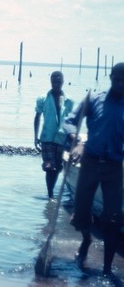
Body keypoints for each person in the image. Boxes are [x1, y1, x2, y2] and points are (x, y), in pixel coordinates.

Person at [63, 62, 123, 277]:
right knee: (80, 213)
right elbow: (70, 121)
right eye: (117, 79)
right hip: (90, 161)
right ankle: (87, 239)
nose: (120, 83)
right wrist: (76, 140)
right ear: (110, 77)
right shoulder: (93, 99)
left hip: (115, 167)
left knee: (113, 218)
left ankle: (107, 268)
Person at [34, 71, 74, 200]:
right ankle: (50, 193)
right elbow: (37, 117)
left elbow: (71, 122)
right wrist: (35, 136)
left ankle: (51, 192)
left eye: (59, 81)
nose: (57, 84)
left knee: (57, 168)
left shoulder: (69, 101)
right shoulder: (43, 99)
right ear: (51, 82)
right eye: (54, 81)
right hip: (47, 137)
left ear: (62, 82)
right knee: (49, 166)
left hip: (61, 138)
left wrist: (72, 138)